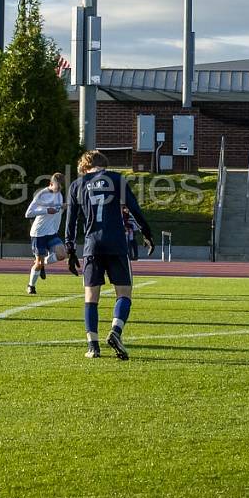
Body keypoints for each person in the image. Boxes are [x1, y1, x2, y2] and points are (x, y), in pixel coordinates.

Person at [65, 150, 154, 360]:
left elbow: (71, 221)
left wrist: (70, 249)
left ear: (85, 166)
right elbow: (134, 209)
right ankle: (116, 331)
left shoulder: (77, 185)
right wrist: (147, 233)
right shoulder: (116, 179)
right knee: (124, 293)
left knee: (91, 297)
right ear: (103, 164)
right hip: (116, 243)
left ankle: (92, 346)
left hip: (92, 246)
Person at [24, 173, 68, 294]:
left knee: (62, 254)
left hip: (52, 232)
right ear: (51, 184)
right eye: (57, 187)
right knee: (38, 263)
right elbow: (28, 213)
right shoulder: (42, 194)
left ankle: (43, 263)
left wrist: (63, 207)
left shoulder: (59, 194)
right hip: (39, 233)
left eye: (61, 188)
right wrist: (46, 210)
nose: (59, 190)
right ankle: (31, 285)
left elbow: (58, 210)